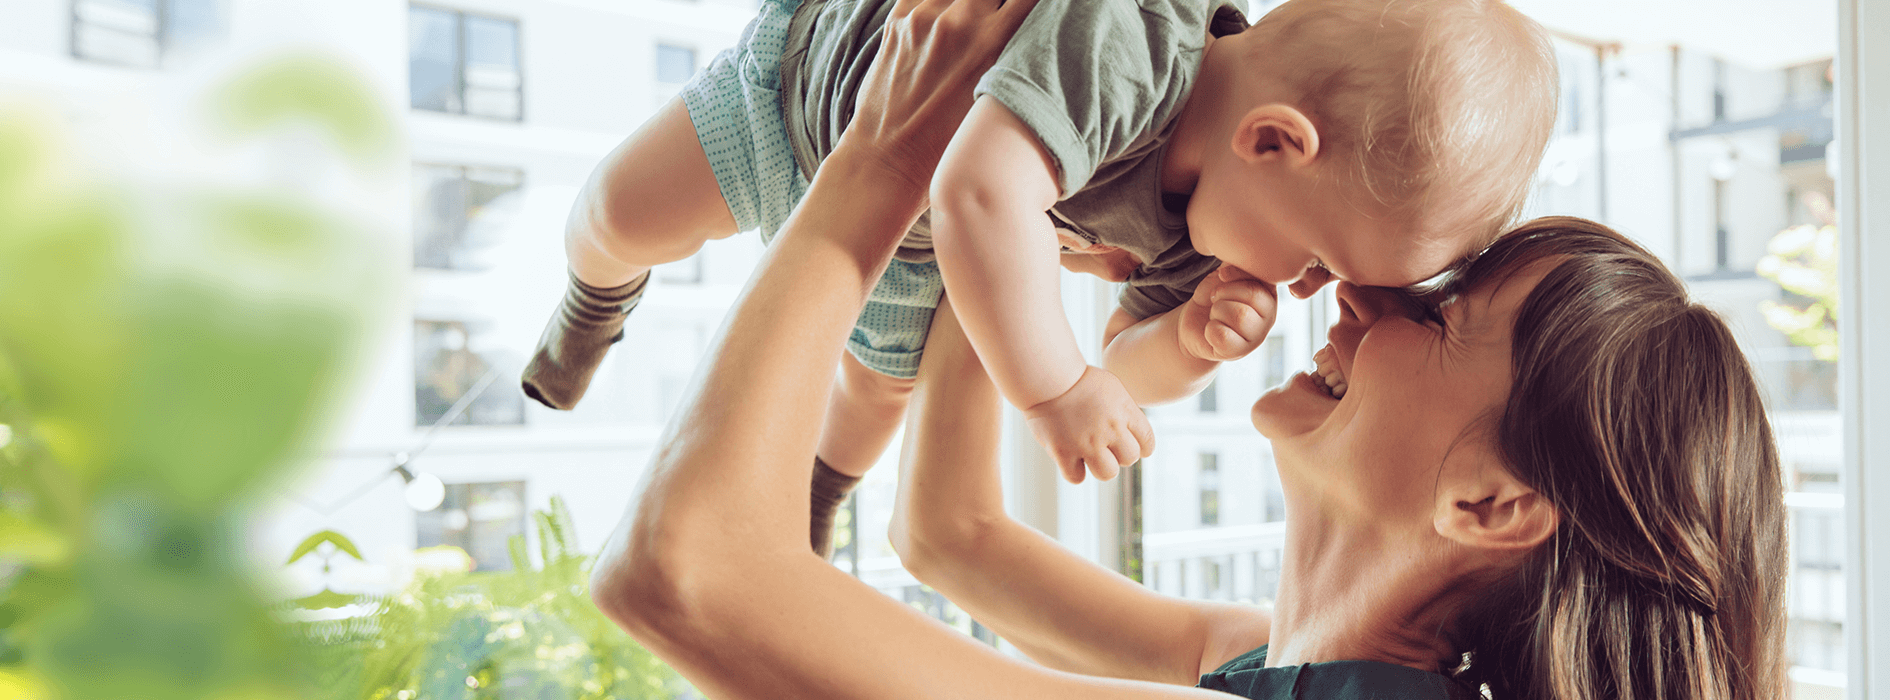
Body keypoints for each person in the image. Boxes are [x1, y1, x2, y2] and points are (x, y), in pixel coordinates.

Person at [586, 1, 1788, 697]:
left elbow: (683, 571)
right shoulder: (1268, 659)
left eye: (1438, 313)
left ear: (1490, 501)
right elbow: (949, 538)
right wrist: (1018, 196)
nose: (1352, 307)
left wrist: (881, 160)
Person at [524, 0, 1562, 557]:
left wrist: (1185, 346)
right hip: (804, 106)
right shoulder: (1137, 34)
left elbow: (1121, 363)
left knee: (878, 391)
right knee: (620, 212)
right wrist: (1053, 390)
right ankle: (593, 299)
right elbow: (982, 188)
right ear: (1274, 142)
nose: (1299, 291)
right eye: (1322, 261)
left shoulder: (1203, 236)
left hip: (915, 245)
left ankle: (819, 490)